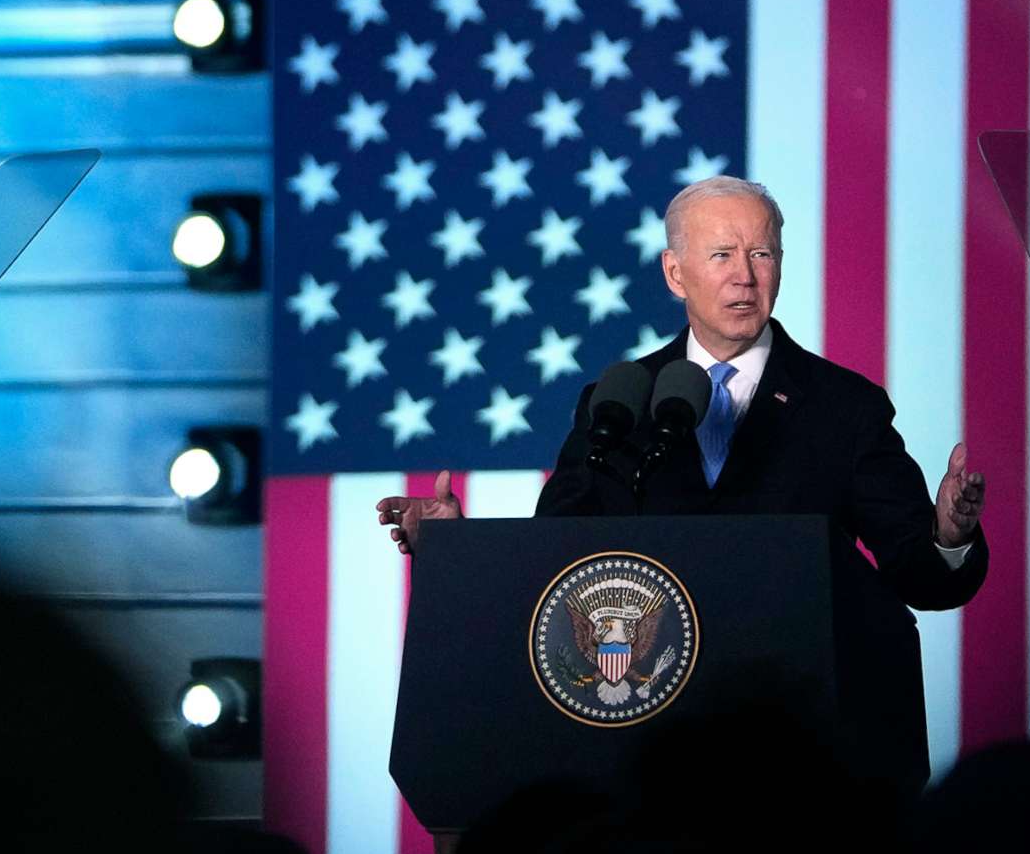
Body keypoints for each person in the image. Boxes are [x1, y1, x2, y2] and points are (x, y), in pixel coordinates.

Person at [374, 175, 988, 611]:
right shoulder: (616, 401)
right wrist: (457, 547)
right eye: (721, 255)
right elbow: (554, 563)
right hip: (644, 732)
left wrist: (950, 536)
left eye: (761, 254)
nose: (744, 275)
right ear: (675, 274)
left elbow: (923, 578)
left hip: (799, 735)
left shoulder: (845, 406)